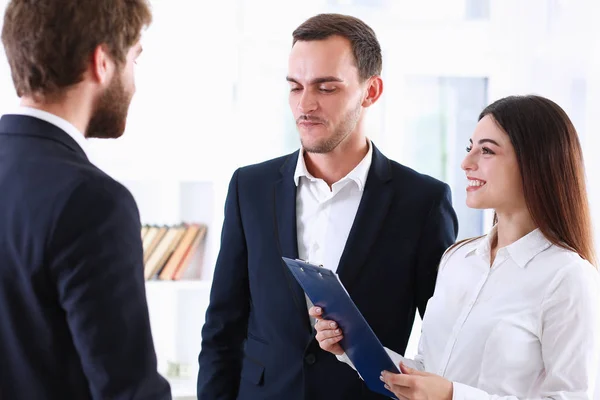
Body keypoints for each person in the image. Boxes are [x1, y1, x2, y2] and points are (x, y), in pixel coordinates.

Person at [197, 13, 458, 400]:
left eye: (326, 88)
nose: (305, 104)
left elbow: (444, 346)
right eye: (295, 87)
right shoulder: (249, 188)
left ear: (371, 91)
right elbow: (222, 327)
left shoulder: (422, 202)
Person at [314, 95, 600, 400]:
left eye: (486, 150)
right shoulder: (457, 259)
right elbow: (425, 371)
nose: (466, 163)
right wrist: (351, 347)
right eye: (469, 148)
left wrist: (453, 395)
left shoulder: (567, 276)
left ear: (536, 161)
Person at [0, 1, 171, 399]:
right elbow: (128, 391)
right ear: (102, 62)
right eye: (134, 59)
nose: (134, 80)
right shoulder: (94, 203)